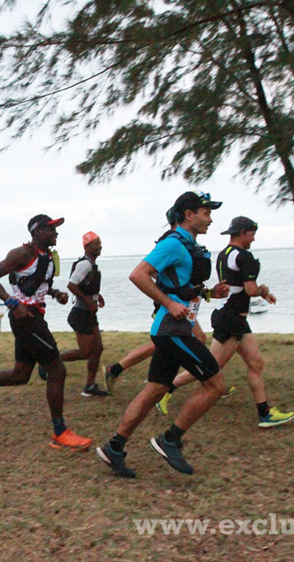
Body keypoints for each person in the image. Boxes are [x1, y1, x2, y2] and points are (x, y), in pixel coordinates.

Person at [97, 191, 227, 478]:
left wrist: (209, 293)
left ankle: (114, 447)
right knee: (215, 385)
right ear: (189, 214)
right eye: (206, 212)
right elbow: (138, 274)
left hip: (171, 330)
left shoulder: (188, 245)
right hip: (174, 331)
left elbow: (179, 286)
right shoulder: (172, 244)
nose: (210, 218)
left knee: (154, 390)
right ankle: (170, 439)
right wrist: (168, 304)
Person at [0, 214, 93, 452]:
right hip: (26, 319)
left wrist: (55, 293)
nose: (56, 234)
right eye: (51, 229)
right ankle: (60, 432)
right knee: (57, 369)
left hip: (33, 316)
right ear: (36, 231)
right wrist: (13, 304)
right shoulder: (22, 254)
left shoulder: (46, 256)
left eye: (56, 230)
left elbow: (31, 285)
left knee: (20, 375)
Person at [159, 216, 294, 427]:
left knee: (256, 363)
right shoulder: (244, 256)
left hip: (235, 318)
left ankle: (264, 413)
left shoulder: (224, 255)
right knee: (211, 366)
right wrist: (263, 290)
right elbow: (250, 289)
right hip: (231, 320)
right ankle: (167, 389)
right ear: (242, 233)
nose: (253, 239)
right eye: (252, 234)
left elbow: (234, 286)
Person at [61, 231, 109, 397]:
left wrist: (97, 297)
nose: (100, 246)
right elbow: (72, 285)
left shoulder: (91, 265)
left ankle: (90, 386)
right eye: (96, 244)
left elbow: (85, 286)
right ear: (87, 247)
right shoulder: (85, 264)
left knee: (98, 349)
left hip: (88, 313)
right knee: (85, 352)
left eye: (100, 243)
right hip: (80, 313)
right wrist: (89, 302)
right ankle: (51, 361)